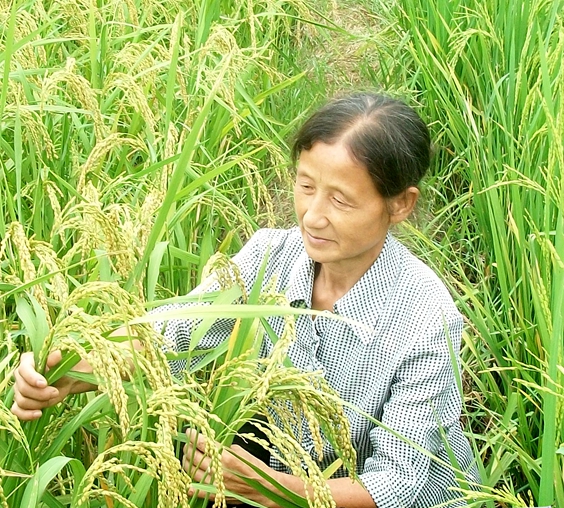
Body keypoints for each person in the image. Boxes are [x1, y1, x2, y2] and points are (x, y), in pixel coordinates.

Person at [12, 92, 480, 508]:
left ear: (400, 204)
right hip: (282, 470)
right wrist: (73, 369)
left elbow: (398, 483)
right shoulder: (268, 256)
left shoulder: (426, 318)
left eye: (340, 200)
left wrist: (273, 489)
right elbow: (174, 333)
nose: (312, 216)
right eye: (306, 186)